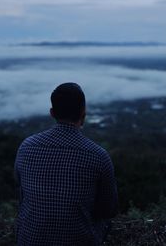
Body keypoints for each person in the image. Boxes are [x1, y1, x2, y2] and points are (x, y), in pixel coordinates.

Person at [14, 82, 118, 245]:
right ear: (83, 114)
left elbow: (21, 195)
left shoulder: (26, 147)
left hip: (29, 240)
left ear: (52, 113)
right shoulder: (98, 155)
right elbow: (108, 209)